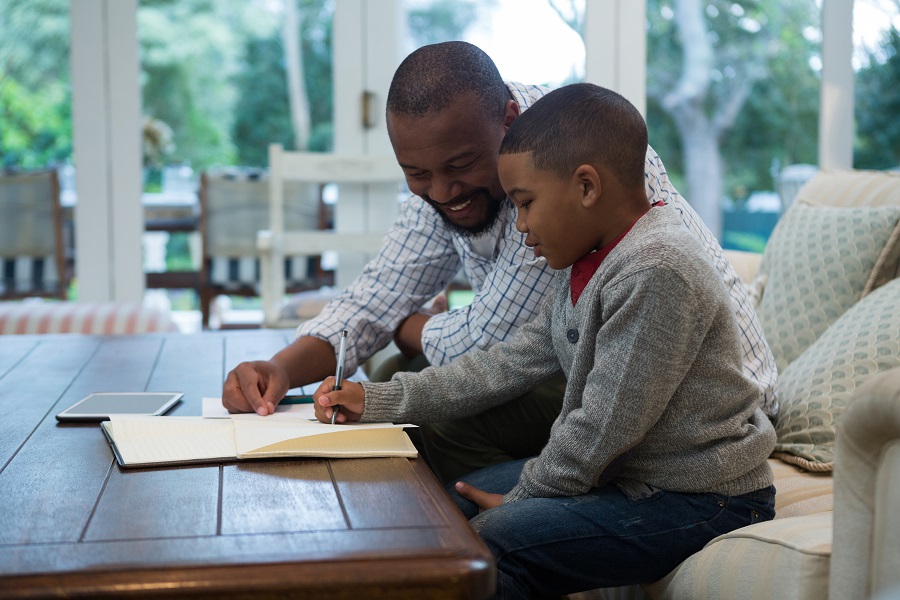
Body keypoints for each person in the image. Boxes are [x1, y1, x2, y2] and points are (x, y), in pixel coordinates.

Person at [222, 41, 777, 484]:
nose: (442, 190)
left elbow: (488, 343)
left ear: (509, 119)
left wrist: (408, 327)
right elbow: (379, 292)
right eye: (417, 174)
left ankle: (481, 539)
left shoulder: (566, 157)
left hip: (696, 396)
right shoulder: (449, 160)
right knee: (394, 377)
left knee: (424, 412)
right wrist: (281, 370)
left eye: (460, 165)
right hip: (577, 359)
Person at [312, 82, 777, 599]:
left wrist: (524, 500)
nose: (521, 226)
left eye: (526, 204)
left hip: (700, 497)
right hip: (633, 478)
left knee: (492, 543)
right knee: (449, 505)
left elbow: (600, 429)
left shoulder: (657, 269)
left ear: (586, 187)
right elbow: (502, 366)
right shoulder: (584, 261)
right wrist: (379, 400)